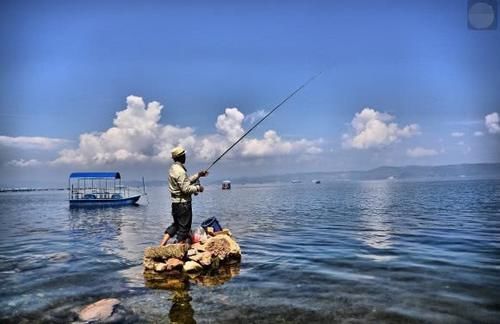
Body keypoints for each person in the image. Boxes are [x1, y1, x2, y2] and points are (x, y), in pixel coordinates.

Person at [160, 146, 208, 246]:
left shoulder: (173, 168)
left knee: (176, 225)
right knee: (184, 230)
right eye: (184, 155)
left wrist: (198, 175)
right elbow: (186, 189)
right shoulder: (180, 171)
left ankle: (161, 245)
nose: (185, 156)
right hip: (183, 205)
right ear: (181, 156)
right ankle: (177, 252)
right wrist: (198, 188)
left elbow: (185, 182)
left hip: (175, 204)